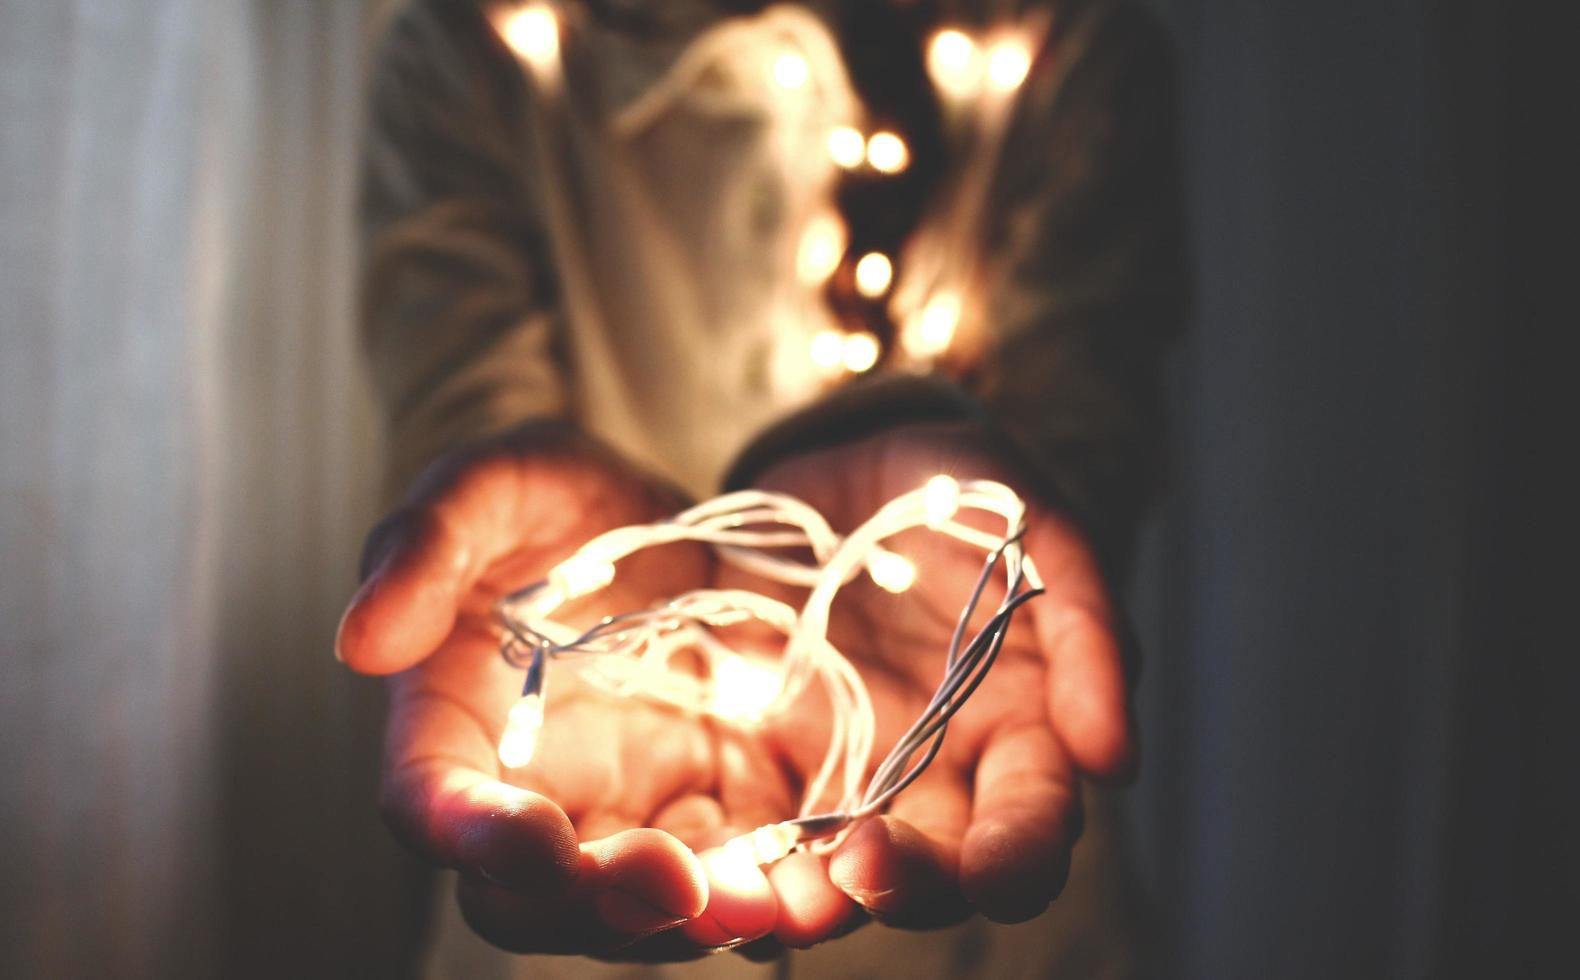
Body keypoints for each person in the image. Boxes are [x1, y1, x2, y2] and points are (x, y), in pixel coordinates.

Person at [336, 0, 1184, 974]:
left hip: (989, 898)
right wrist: (503, 509)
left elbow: (1085, 429)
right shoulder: (478, 44)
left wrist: (986, 473)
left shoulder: (1055, 42)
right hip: (581, 840)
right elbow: (460, 402)